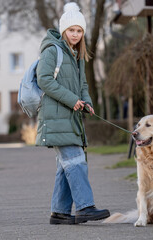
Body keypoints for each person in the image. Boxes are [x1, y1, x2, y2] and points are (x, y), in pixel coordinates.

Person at [36, 2, 110, 225]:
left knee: (66, 164)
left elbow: (82, 84)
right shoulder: (53, 50)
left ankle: (59, 212)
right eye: (71, 30)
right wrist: (72, 100)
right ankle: (85, 207)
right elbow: (44, 79)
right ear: (63, 30)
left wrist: (86, 101)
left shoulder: (76, 55)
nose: (75, 34)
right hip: (56, 116)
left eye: (79, 31)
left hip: (69, 116)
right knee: (76, 160)